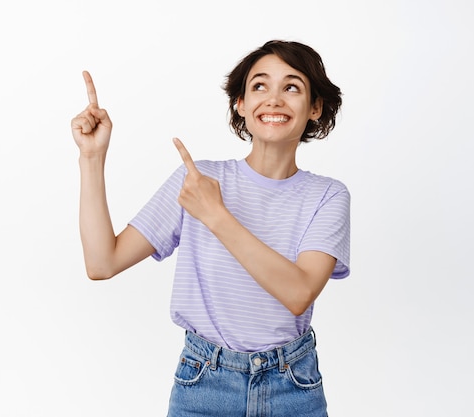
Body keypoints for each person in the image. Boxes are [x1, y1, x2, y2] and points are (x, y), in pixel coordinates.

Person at [71, 40, 350, 417]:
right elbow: (102, 263)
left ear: (315, 107)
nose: (274, 99)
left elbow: (299, 292)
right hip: (205, 383)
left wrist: (216, 215)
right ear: (241, 103)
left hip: (293, 388)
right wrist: (92, 157)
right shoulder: (197, 181)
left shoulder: (327, 196)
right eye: (259, 86)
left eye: (292, 87)